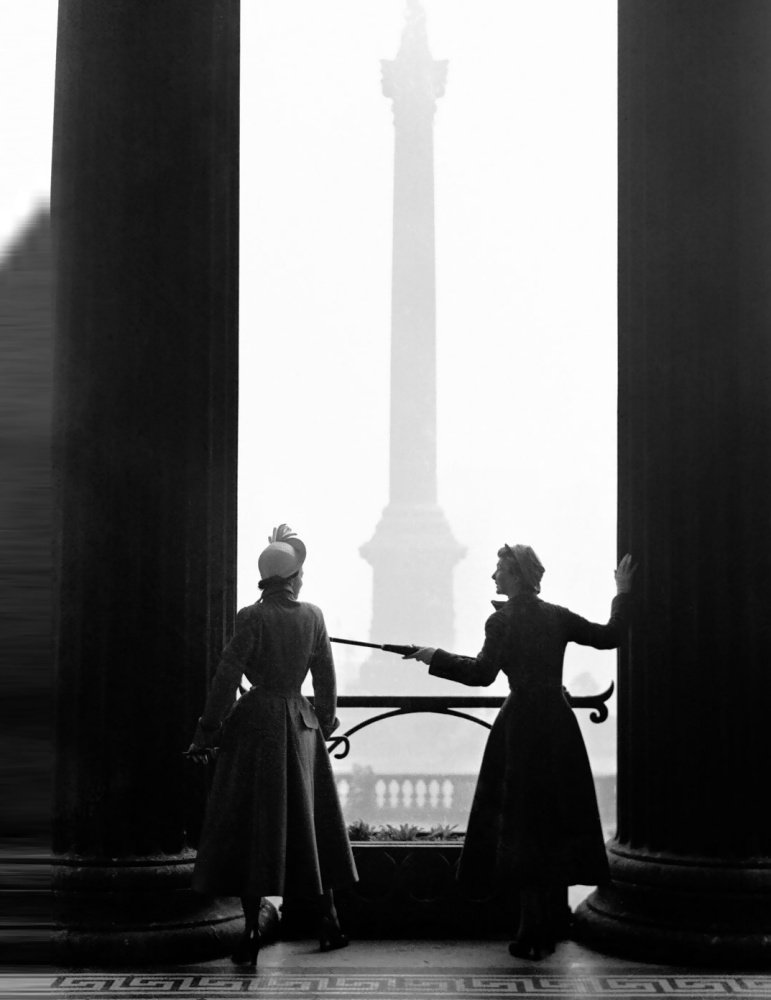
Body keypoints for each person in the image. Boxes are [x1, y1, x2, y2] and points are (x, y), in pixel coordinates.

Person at [405, 545, 635, 961]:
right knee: (553, 818)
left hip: (521, 728)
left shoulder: (502, 620)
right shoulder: (557, 616)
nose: (493, 576)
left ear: (515, 576)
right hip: (558, 724)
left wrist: (433, 657)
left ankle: (530, 927)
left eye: (499, 570)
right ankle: (549, 921)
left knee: (523, 823)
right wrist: (622, 591)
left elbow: (480, 675)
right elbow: (609, 636)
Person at [186, 524, 357, 967]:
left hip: (255, 724)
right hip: (301, 727)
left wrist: (207, 728)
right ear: (294, 578)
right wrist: (323, 720)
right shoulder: (314, 616)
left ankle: (249, 932)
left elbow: (227, 677)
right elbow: (326, 680)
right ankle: (330, 922)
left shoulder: (251, 617)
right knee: (311, 824)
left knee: (252, 827)